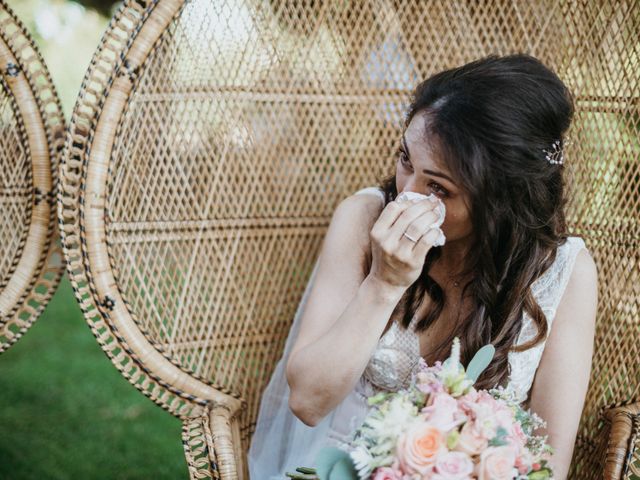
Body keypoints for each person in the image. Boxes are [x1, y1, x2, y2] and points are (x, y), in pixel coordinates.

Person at [248, 53, 598, 480]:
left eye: (438, 187)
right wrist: (384, 283)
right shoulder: (362, 218)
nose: (406, 196)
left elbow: (548, 464)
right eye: (406, 161)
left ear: (500, 201)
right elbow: (307, 401)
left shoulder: (566, 271)